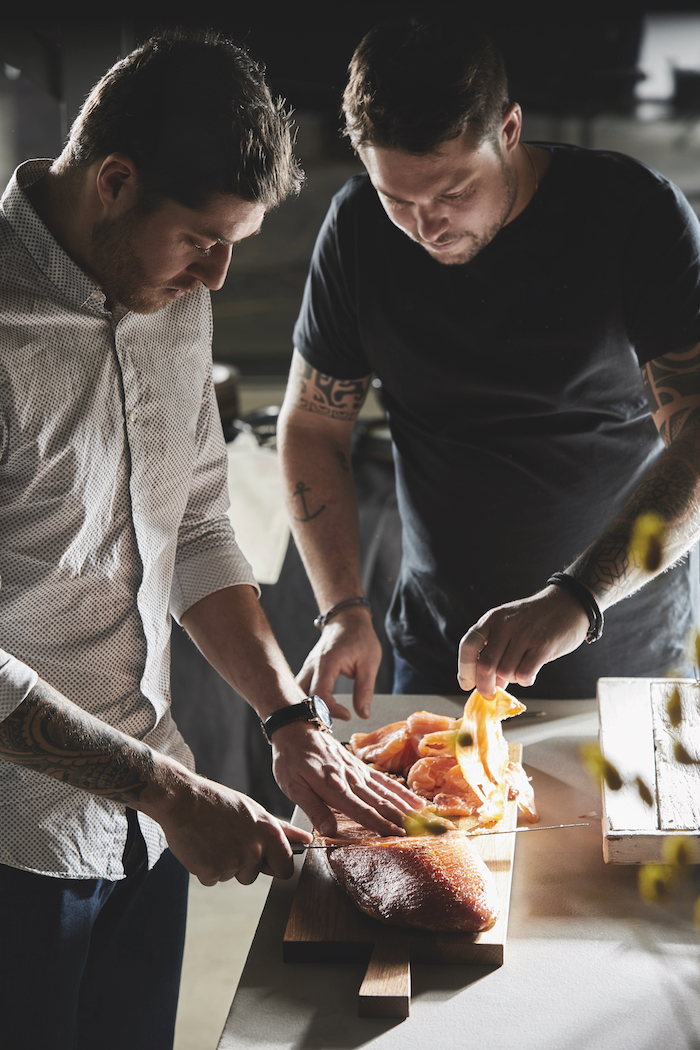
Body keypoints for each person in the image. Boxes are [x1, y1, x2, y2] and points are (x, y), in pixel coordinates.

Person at [0, 29, 421, 1050]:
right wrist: (172, 791)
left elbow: (191, 526)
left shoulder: (168, 303)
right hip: (20, 844)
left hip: (150, 825)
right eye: (202, 239)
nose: (221, 275)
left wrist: (288, 724)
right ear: (113, 180)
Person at [277, 11, 700, 715]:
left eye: (453, 193)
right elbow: (313, 427)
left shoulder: (632, 213)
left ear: (508, 130)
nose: (426, 225)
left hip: (624, 650)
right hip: (441, 655)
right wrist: (344, 609)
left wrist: (575, 598)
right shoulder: (355, 231)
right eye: (398, 200)